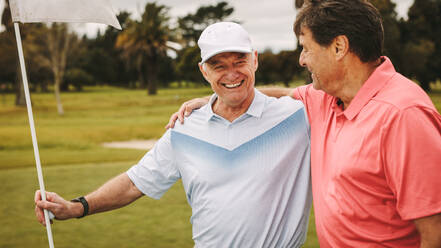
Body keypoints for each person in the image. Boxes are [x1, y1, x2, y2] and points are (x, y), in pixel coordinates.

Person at [167, 1, 441, 247]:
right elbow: (284, 93)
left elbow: (435, 230)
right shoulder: (324, 98)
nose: (301, 59)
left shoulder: (403, 114)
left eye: (306, 48)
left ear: (338, 47)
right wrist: (213, 98)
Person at [35, 22, 312, 247]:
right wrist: (77, 207)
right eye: (218, 65)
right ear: (204, 71)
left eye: (240, 61)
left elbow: (325, 91)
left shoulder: (296, 116)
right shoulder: (185, 127)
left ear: (255, 61)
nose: (231, 73)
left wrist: (211, 97)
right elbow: (135, 183)